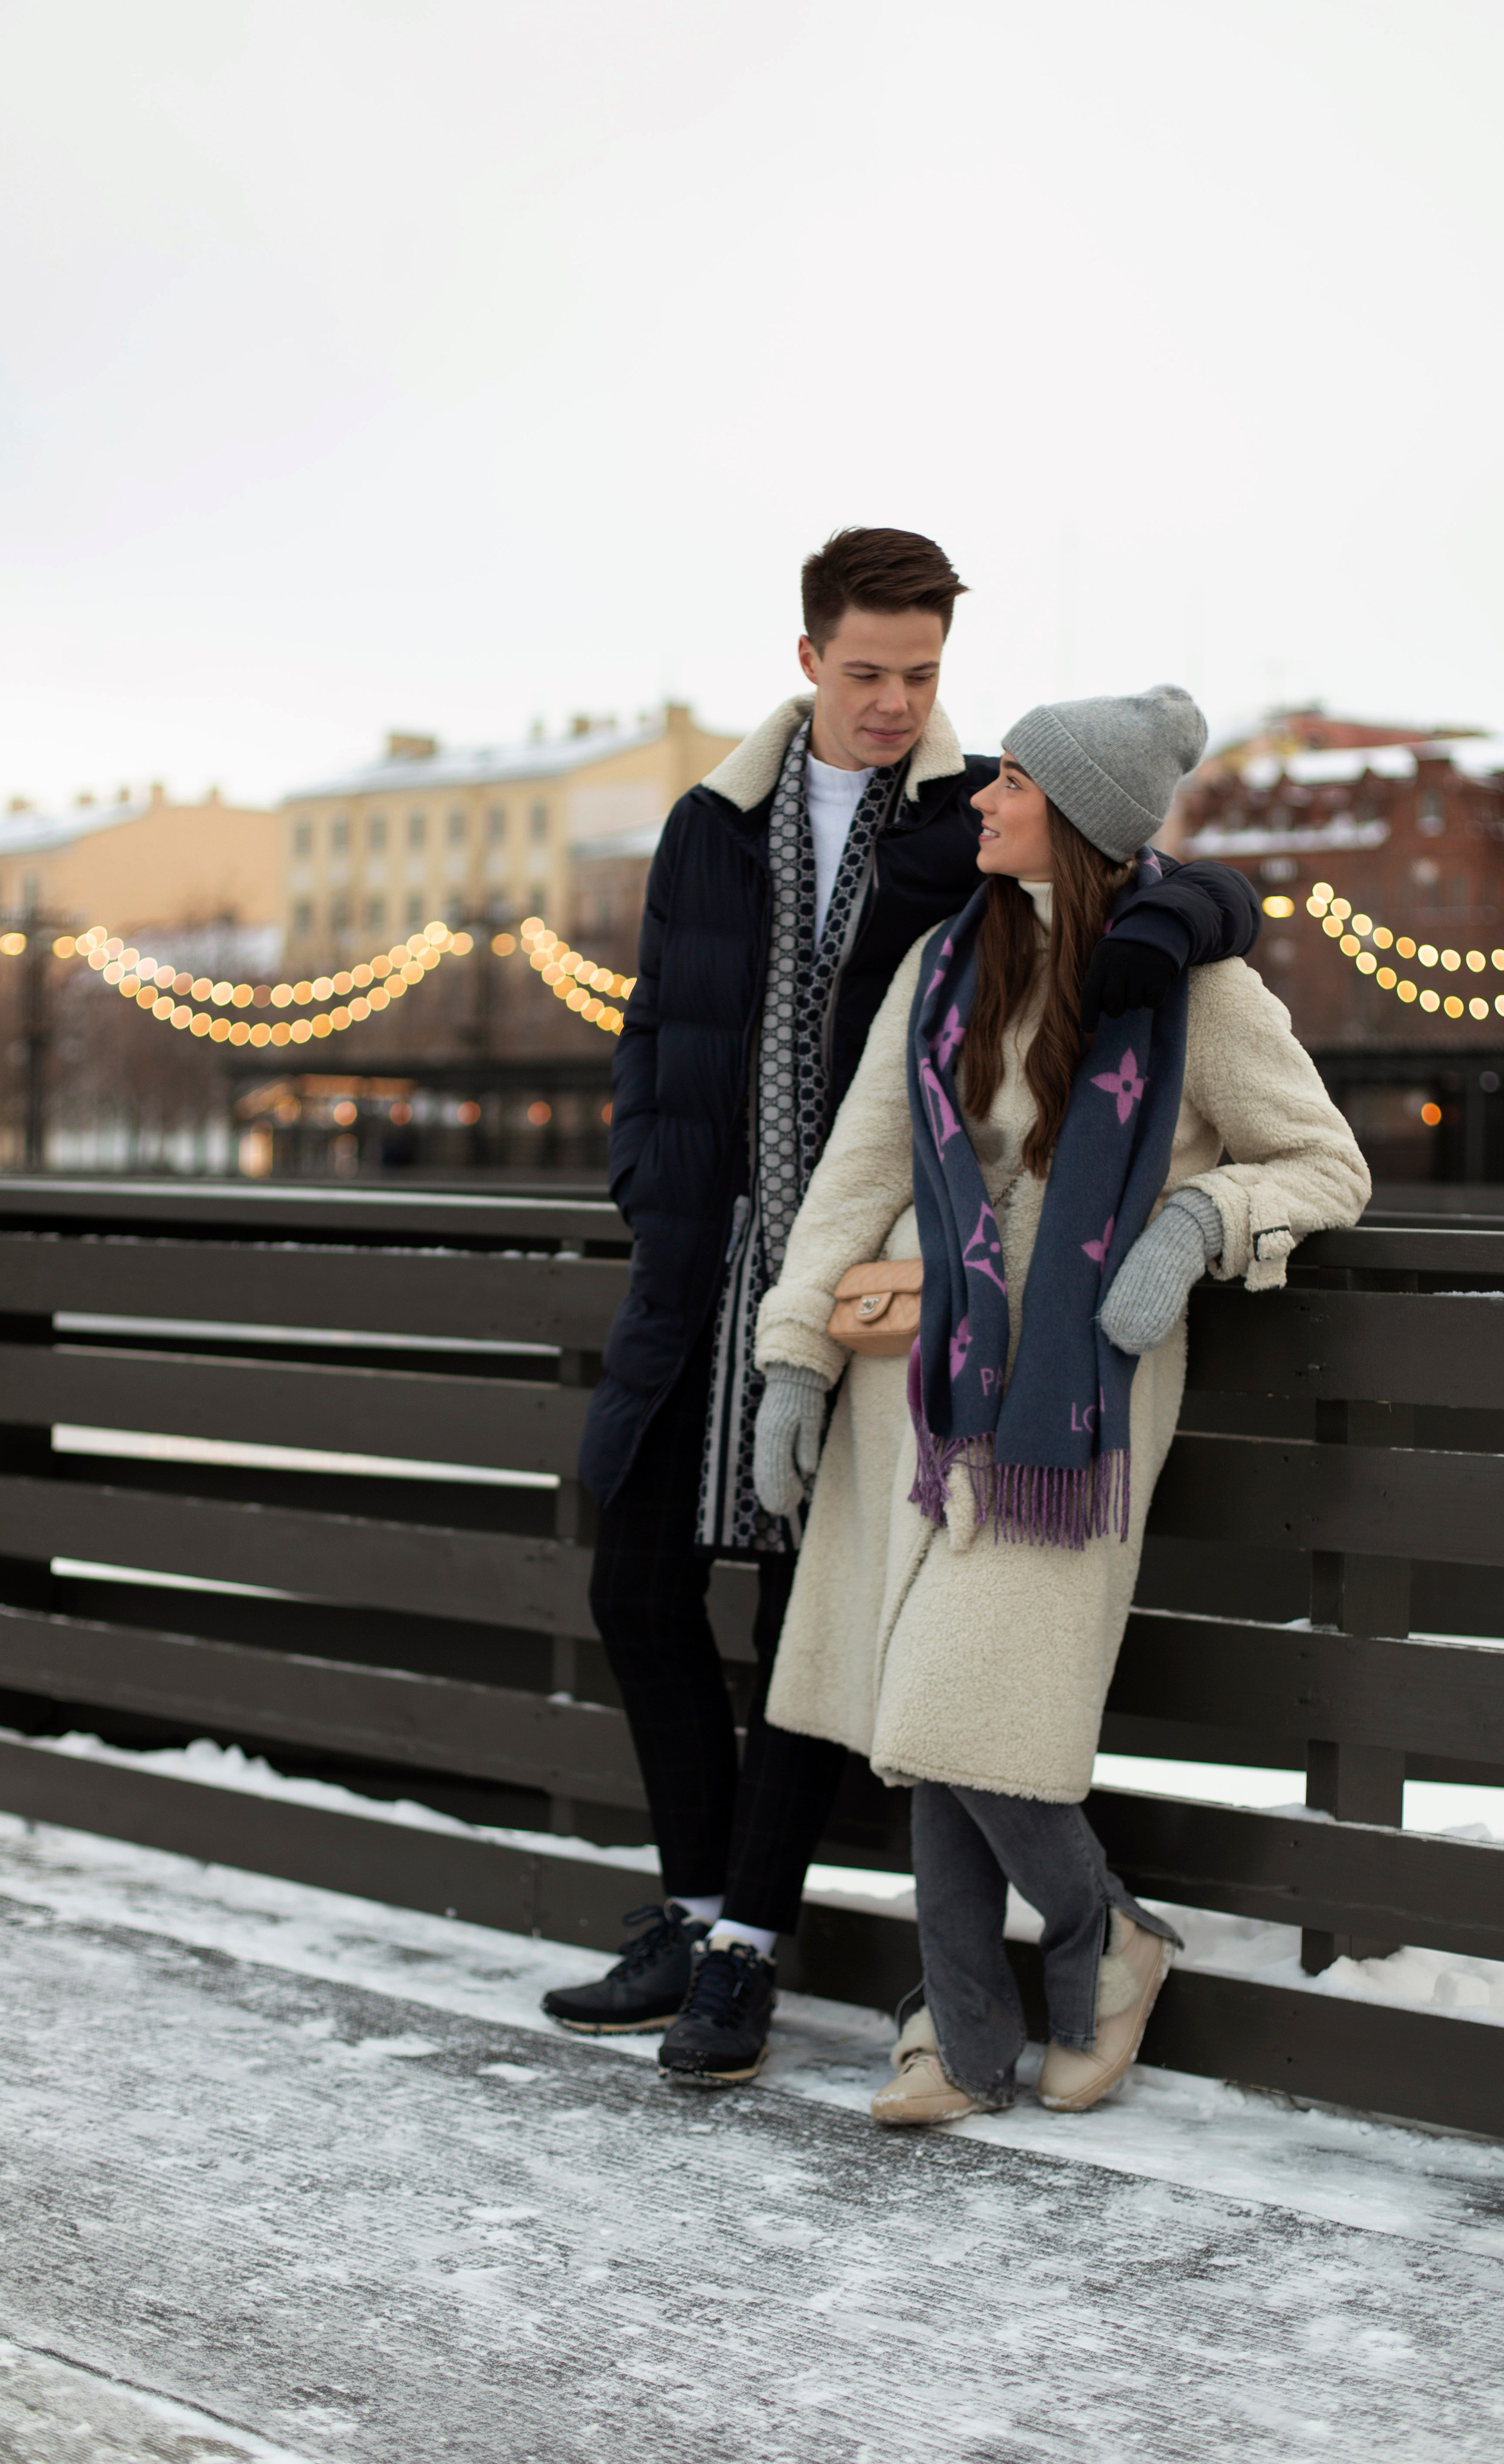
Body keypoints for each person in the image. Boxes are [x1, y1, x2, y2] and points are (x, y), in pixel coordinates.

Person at [549, 534, 1263, 2087]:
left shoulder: (972, 816)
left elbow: (1156, 876)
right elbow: (656, 1014)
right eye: (866, 671)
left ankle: (747, 1944)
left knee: (814, 1615)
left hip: (894, 1281)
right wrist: (649, 1184)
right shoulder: (709, 824)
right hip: (711, 1257)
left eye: (921, 676)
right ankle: (687, 1907)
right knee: (637, 1583)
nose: (893, 701)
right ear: (807, 656)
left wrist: (1172, 933)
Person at [750, 684, 1369, 2122]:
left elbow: (1323, 1164)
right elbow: (857, 1171)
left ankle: (1106, 1940)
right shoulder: (940, 965)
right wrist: (795, 1348)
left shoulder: (1199, 995)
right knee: (924, 1720)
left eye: (1011, 779)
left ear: (1076, 817)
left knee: (962, 1711)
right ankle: (959, 2038)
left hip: (1065, 1423)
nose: (980, 796)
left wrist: (1195, 1225)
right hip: (916, 1399)